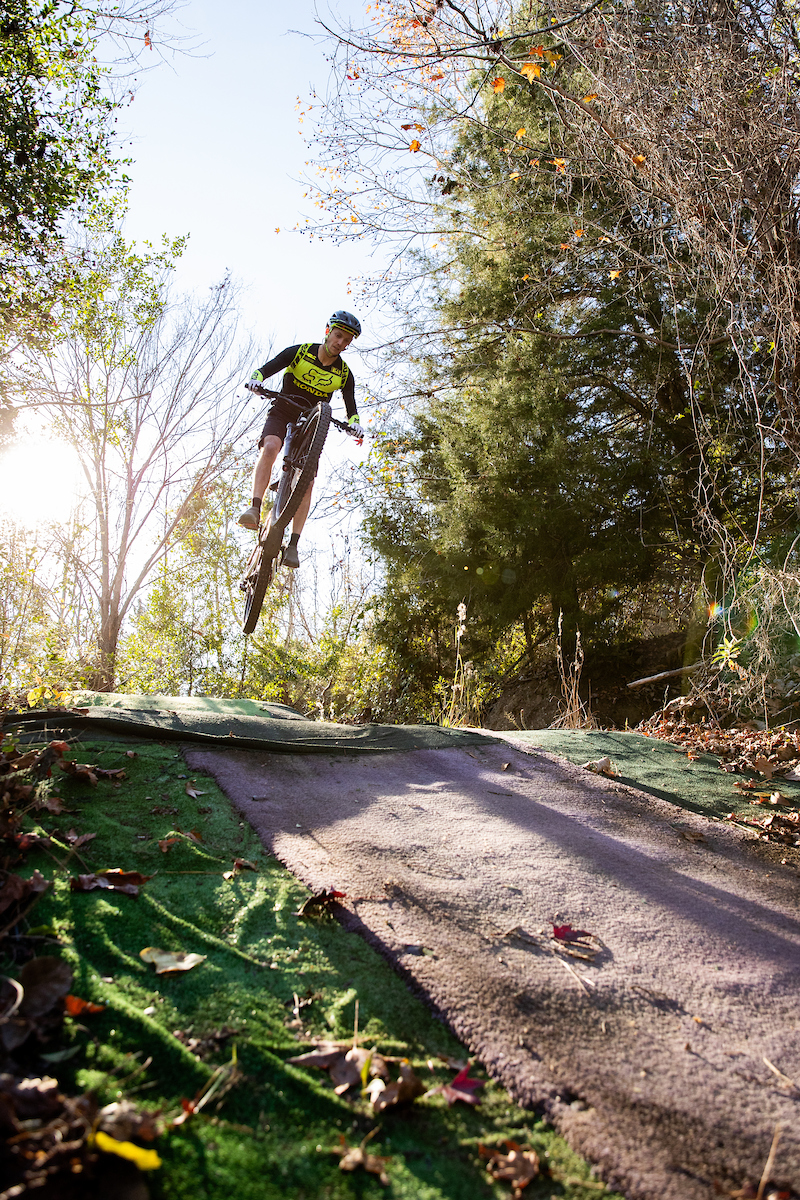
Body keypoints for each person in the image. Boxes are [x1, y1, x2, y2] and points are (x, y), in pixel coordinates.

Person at [238, 310, 364, 568]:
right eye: (338, 335)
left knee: (308, 483)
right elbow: (265, 369)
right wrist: (256, 380)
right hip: (283, 410)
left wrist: (355, 424)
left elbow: (351, 406)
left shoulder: (343, 373)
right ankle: (254, 508)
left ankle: (294, 544)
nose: (340, 343)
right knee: (270, 447)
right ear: (328, 332)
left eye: (346, 340)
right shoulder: (300, 352)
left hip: (312, 425)